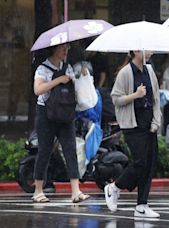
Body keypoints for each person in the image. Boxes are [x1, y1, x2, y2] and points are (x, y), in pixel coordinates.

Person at [104, 50, 161, 218]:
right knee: (141, 161)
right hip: (132, 122)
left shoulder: (150, 70)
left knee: (150, 163)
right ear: (136, 51)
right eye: (147, 49)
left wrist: (156, 121)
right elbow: (116, 99)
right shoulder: (125, 72)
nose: (151, 52)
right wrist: (135, 95)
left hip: (149, 121)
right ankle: (114, 187)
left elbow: (156, 99)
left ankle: (142, 205)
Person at [32, 43, 90, 203]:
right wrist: (58, 80)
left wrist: (81, 78)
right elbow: (38, 90)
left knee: (70, 150)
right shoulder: (43, 68)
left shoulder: (68, 67)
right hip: (46, 114)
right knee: (44, 150)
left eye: (67, 48)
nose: (65, 51)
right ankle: (38, 191)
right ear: (54, 49)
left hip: (65, 113)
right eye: (62, 48)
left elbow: (75, 89)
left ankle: (76, 191)